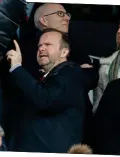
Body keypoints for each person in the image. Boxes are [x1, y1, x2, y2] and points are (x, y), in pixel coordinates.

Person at [5, 28, 87, 153]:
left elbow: (45, 100)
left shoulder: (71, 73)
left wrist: (17, 67)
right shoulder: (45, 78)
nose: (41, 48)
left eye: (48, 44)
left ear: (64, 52)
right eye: (39, 46)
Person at [33, 3, 98, 146]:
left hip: (78, 130)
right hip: (45, 134)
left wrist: (71, 70)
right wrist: (74, 69)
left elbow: (91, 77)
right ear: (44, 20)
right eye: (60, 14)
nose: (67, 18)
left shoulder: (75, 44)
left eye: (67, 14)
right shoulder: (29, 48)